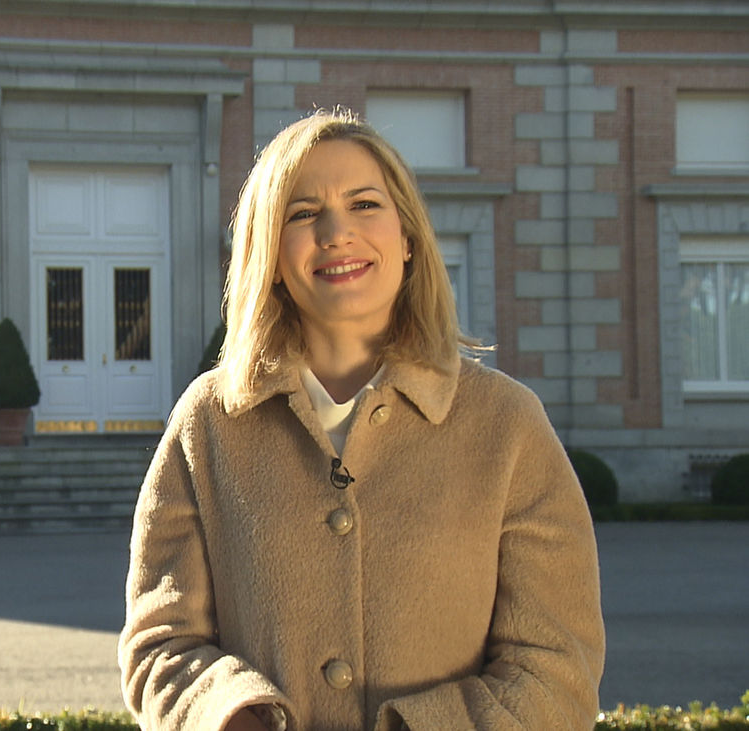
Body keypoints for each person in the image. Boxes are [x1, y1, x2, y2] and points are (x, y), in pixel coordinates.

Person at [118, 108, 605, 731]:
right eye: (302, 213)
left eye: (365, 204)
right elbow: (159, 646)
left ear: (407, 238)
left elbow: (557, 667)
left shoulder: (507, 425)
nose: (336, 233)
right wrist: (234, 717)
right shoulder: (208, 423)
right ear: (268, 251)